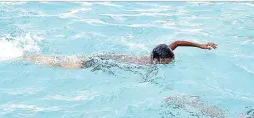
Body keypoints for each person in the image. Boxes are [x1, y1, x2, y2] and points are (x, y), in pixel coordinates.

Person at [23, 40, 218, 70]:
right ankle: (30, 59)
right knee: (69, 65)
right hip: (104, 61)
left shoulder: (163, 51)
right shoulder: (149, 65)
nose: (169, 62)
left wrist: (201, 45)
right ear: (157, 60)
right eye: (166, 62)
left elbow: (177, 42)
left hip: (111, 56)